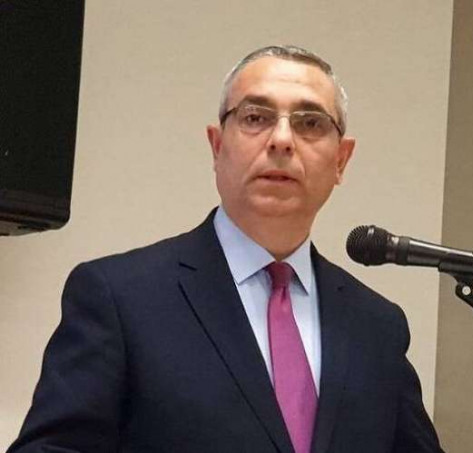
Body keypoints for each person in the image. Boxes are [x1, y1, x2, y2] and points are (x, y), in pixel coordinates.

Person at [8, 45, 444, 453]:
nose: (282, 140)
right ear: (217, 147)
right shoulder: (120, 298)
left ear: (341, 160)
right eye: (256, 117)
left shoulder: (377, 326)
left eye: (310, 123)